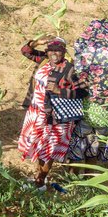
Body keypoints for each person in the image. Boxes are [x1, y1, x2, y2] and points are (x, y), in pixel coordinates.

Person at [17, 36, 83, 191]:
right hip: (37, 111)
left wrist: (59, 90)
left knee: (49, 149)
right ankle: (39, 178)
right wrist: (37, 42)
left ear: (64, 52)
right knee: (39, 147)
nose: (54, 53)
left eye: (58, 50)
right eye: (51, 50)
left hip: (56, 117)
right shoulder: (44, 61)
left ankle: (40, 182)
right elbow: (26, 51)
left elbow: (81, 91)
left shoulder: (69, 69)